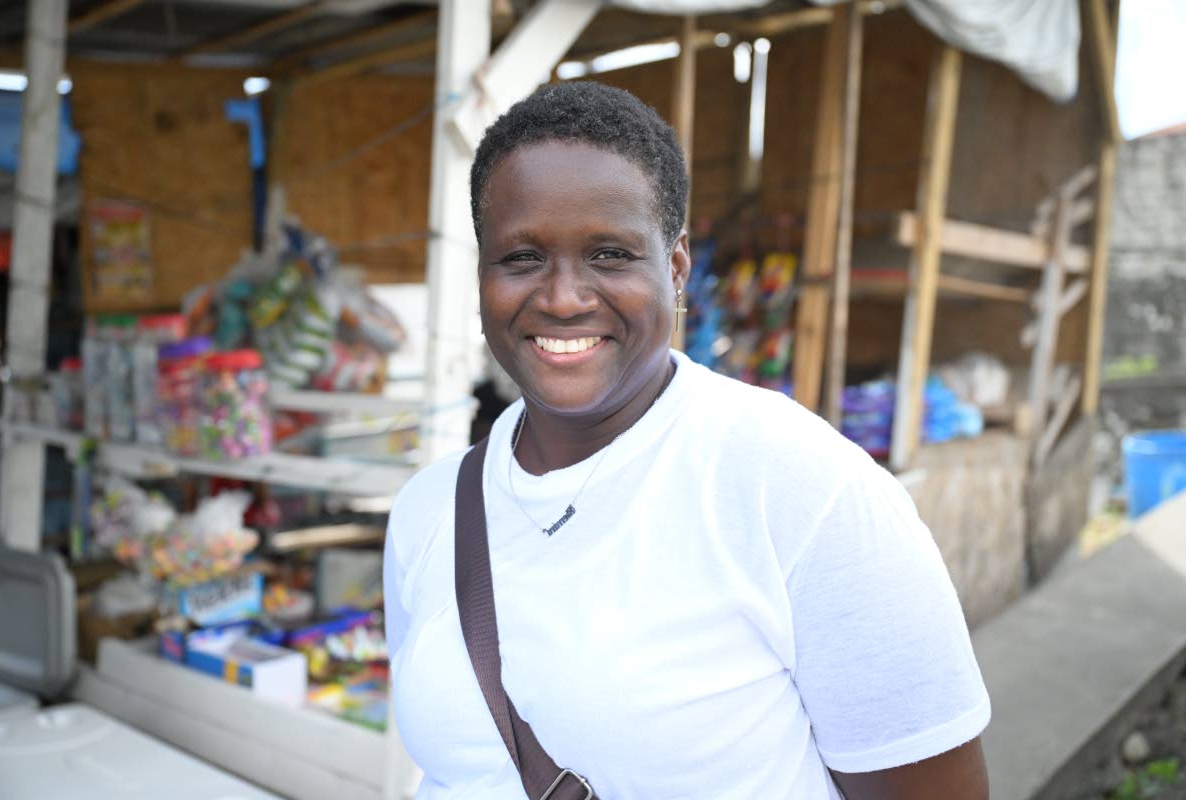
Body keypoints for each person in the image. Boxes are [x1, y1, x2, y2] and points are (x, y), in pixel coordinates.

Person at [383, 81, 991, 799]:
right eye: (521, 257)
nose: (563, 297)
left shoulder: (800, 486)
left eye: (609, 254)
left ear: (675, 270)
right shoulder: (430, 509)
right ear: (482, 275)